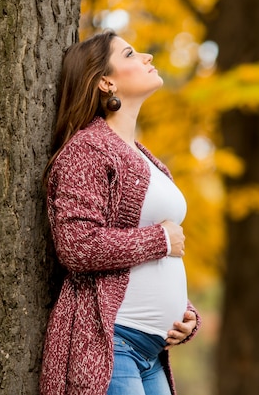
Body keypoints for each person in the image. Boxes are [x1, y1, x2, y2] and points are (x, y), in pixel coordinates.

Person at [40, 30, 200, 395]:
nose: (146, 56)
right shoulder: (87, 148)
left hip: (152, 352)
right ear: (105, 81)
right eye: (130, 54)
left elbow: (144, 256)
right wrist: (160, 239)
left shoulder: (146, 158)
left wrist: (185, 314)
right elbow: (78, 245)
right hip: (110, 344)